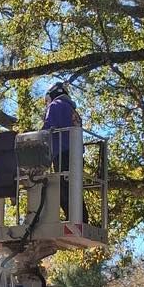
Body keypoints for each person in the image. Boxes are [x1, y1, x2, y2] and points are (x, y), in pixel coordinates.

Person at [42, 82, 87, 222]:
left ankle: (74, 218)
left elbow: (47, 128)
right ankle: (81, 217)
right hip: (77, 153)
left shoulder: (55, 105)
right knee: (73, 187)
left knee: (61, 188)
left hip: (63, 153)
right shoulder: (71, 109)